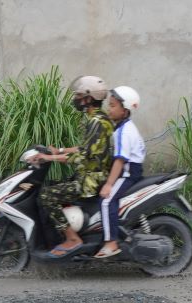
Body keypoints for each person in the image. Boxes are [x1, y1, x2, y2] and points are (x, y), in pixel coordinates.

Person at [28, 75, 115, 256]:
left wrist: (47, 158)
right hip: (90, 175)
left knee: (46, 195)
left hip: (91, 180)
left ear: (89, 99)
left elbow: (82, 157)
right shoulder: (97, 118)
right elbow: (85, 148)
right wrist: (58, 150)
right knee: (52, 185)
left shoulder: (97, 122)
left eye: (79, 96)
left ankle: (72, 238)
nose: (75, 99)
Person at [95, 86, 146, 259]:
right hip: (129, 170)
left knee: (107, 201)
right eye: (109, 105)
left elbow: (120, 160)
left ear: (125, 110)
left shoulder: (124, 131)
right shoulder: (124, 127)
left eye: (113, 106)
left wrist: (109, 185)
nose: (109, 109)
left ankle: (111, 243)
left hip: (128, 173)